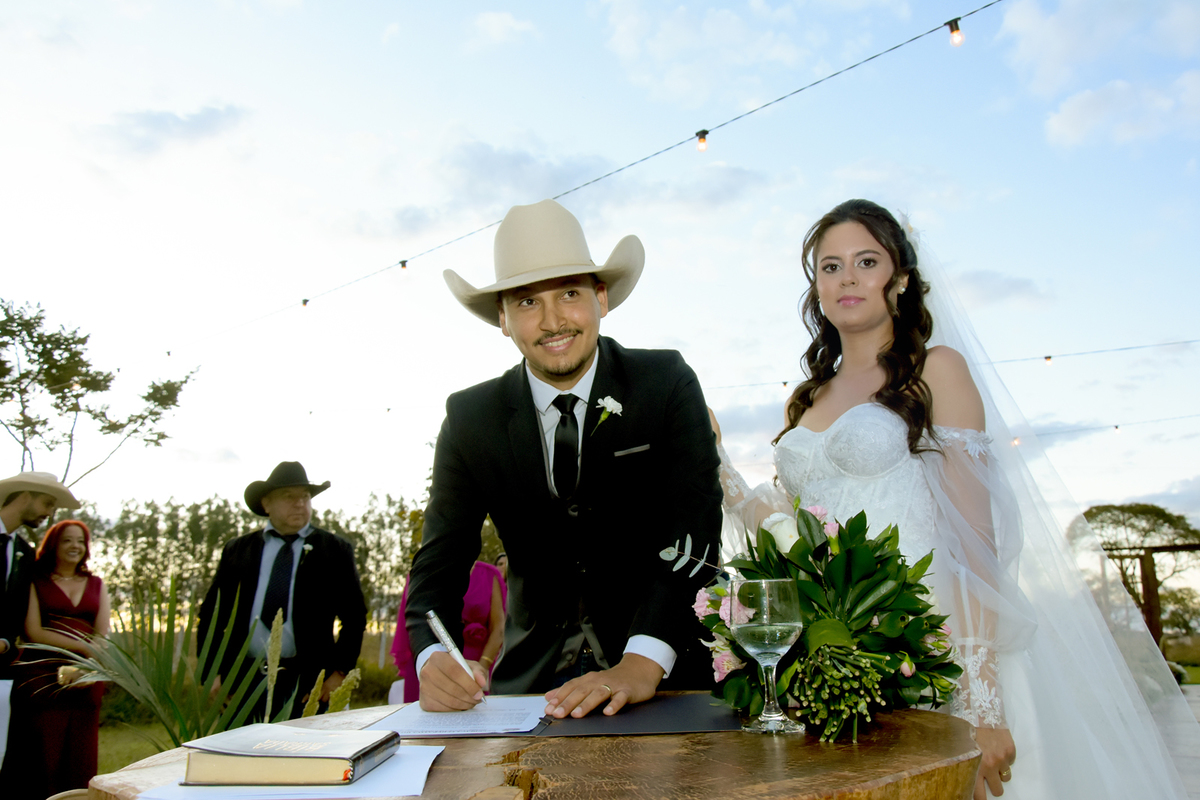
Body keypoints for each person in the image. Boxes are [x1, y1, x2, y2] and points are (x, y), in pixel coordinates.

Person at [714, 199, 1198, 799]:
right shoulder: (808, 399)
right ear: (816, 287)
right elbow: (793, 529)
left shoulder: (935, 370)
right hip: (845, 648)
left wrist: (982, 704)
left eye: (866, 261)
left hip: (936, 638)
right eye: (830, 266)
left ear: (901, 280)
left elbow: (976, 540)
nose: (847, 278)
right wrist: (720, 466)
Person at [405, 198, 723, 719]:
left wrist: (642, 661)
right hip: (530, 688)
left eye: (570, 293)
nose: (553, 321)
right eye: (527, 302)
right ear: (503, 319)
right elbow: (440, 558)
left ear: (601, 298)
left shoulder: (665, 383)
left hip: (667, 680)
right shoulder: (469, 417)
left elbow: (697, 526)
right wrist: (430, 653)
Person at [197, 461, 367, 720]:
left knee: (306, 757)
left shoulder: (334, 550)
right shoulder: (239, 550)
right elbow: (211, 615)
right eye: (289, 497)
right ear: (266, 504)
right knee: (245, 758)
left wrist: (339, 674)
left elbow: (354, 617)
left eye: (305, 496)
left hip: (309, 685)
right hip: (241, 683)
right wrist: (213, 674)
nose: (300, 503)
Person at [18, 519, 110, 798]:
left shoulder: (96, 584)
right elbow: (33, 631)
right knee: (43, 757)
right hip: (42, 677)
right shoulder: (36, 580)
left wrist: (87, 663)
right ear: (53, 545)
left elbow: (101, 634)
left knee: (80, 757)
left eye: (81, 541)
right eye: (67, 540)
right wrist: (82, 647)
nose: (75, 546)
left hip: (86, 674)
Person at [0, 471, 79, 791]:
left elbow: (14, 616)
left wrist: (4, 643)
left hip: (3, 674)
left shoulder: (24, 551)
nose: (50, 512)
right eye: (47, 502)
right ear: (24, 495)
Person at [391, 560, 507, 703]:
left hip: (476, 664)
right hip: (430, 660)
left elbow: (498, 628)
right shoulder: (422, 572)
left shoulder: (489, 574)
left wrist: (483, 666)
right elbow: (413, 620)